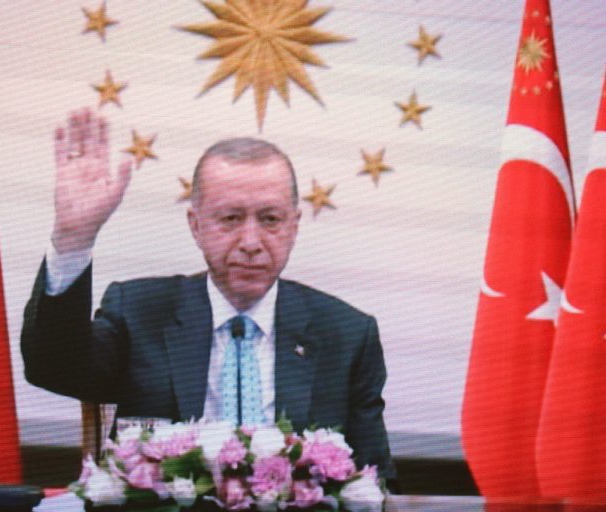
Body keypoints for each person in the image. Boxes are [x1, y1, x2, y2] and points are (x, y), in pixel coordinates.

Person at [21, 109, 396, 480]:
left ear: (294, 226)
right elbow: (53, 369)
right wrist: (72, 241)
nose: (251, 242)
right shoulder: (138, 311)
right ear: (196, 226)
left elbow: (375, 479)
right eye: (230, 218)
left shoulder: (346, 335)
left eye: (270, 219)